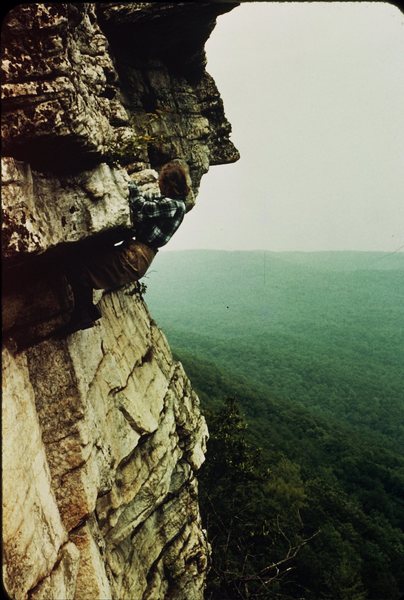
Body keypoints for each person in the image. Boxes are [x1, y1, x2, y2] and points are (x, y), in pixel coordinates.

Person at [59, 161, 192, 335]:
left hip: (136, 256)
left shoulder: (174, 205)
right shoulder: (170, 201)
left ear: (170, 185)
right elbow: (149, 198)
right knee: (84, 261)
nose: (159, 184)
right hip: (136, 252)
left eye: (161, 182)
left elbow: (143, 207)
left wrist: (129, 184)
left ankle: (83, 315)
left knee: (81, 269)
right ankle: (87, 311)